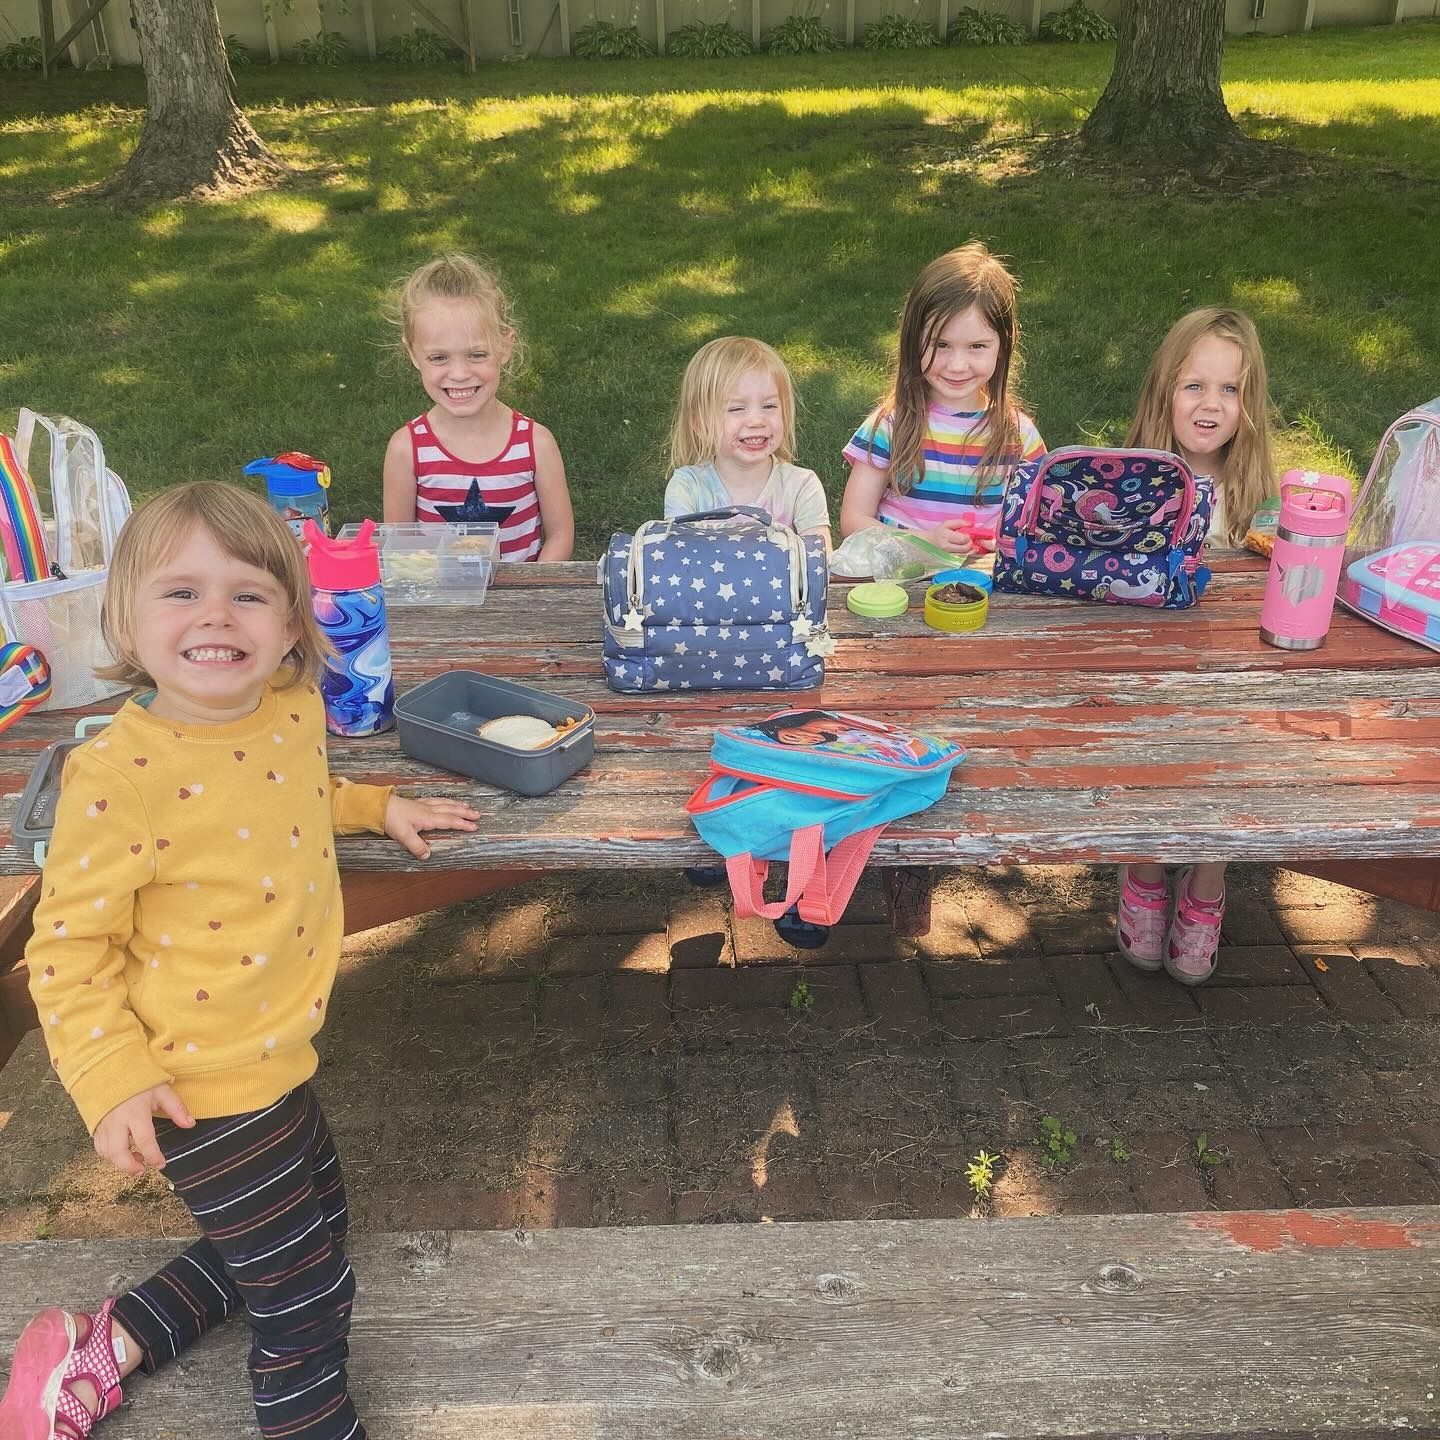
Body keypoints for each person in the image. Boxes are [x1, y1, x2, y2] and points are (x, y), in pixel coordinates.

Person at [0, 483, 479, 1440]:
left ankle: (107, 1345)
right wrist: (112, 1081)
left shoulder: (287, 709)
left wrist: (372, 806)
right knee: (307, 1296)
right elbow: (66, 950)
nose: (217, 614)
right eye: (181, 593)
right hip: (195, 1083)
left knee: (301, 1234)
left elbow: (295, 786)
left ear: (295, 624)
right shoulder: (118, 778)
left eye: (250, 595)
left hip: (279, 1059)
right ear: (125, 620)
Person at [1115, 306, 1275, 985]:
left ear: (1249, 404)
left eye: (1230, 389)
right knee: (1144, 743)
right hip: (1147, 669)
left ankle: (1208, 882)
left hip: (1228, 675)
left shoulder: (1257, 498)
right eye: (1194, 386)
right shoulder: (1127, 481)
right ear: (1163, 393)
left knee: (1232, 747)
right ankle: (1144, 866)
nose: (1211, 404)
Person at [839, 240, 1046, 555]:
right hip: (902, 583)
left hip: (985, 590)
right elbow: (853, 520)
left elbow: (1040, 524)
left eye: (977, 346)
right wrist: (924, 540)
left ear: (1003, 346)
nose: (957, 365)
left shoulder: (1019, 436)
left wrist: (1007, 540)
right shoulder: (891, 424)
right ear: (914, 340)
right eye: (940, 345)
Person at [382, 252, 574, 561]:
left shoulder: (536, 443)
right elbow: (400, 547)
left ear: (505, 346)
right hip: (441, 604)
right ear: (414, 354)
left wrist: (530, 597)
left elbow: (560, 534)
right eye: (439, 357)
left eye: (476, 355)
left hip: (520, 605)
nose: (459, 374)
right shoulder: (406, 449)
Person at [664, 336, 831, 546]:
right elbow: (677, 558)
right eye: (736, 408)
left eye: (769, 406)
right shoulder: (688, 487)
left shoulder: (801, 487)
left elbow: (819, 562)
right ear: (699, 425)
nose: (756, 420)